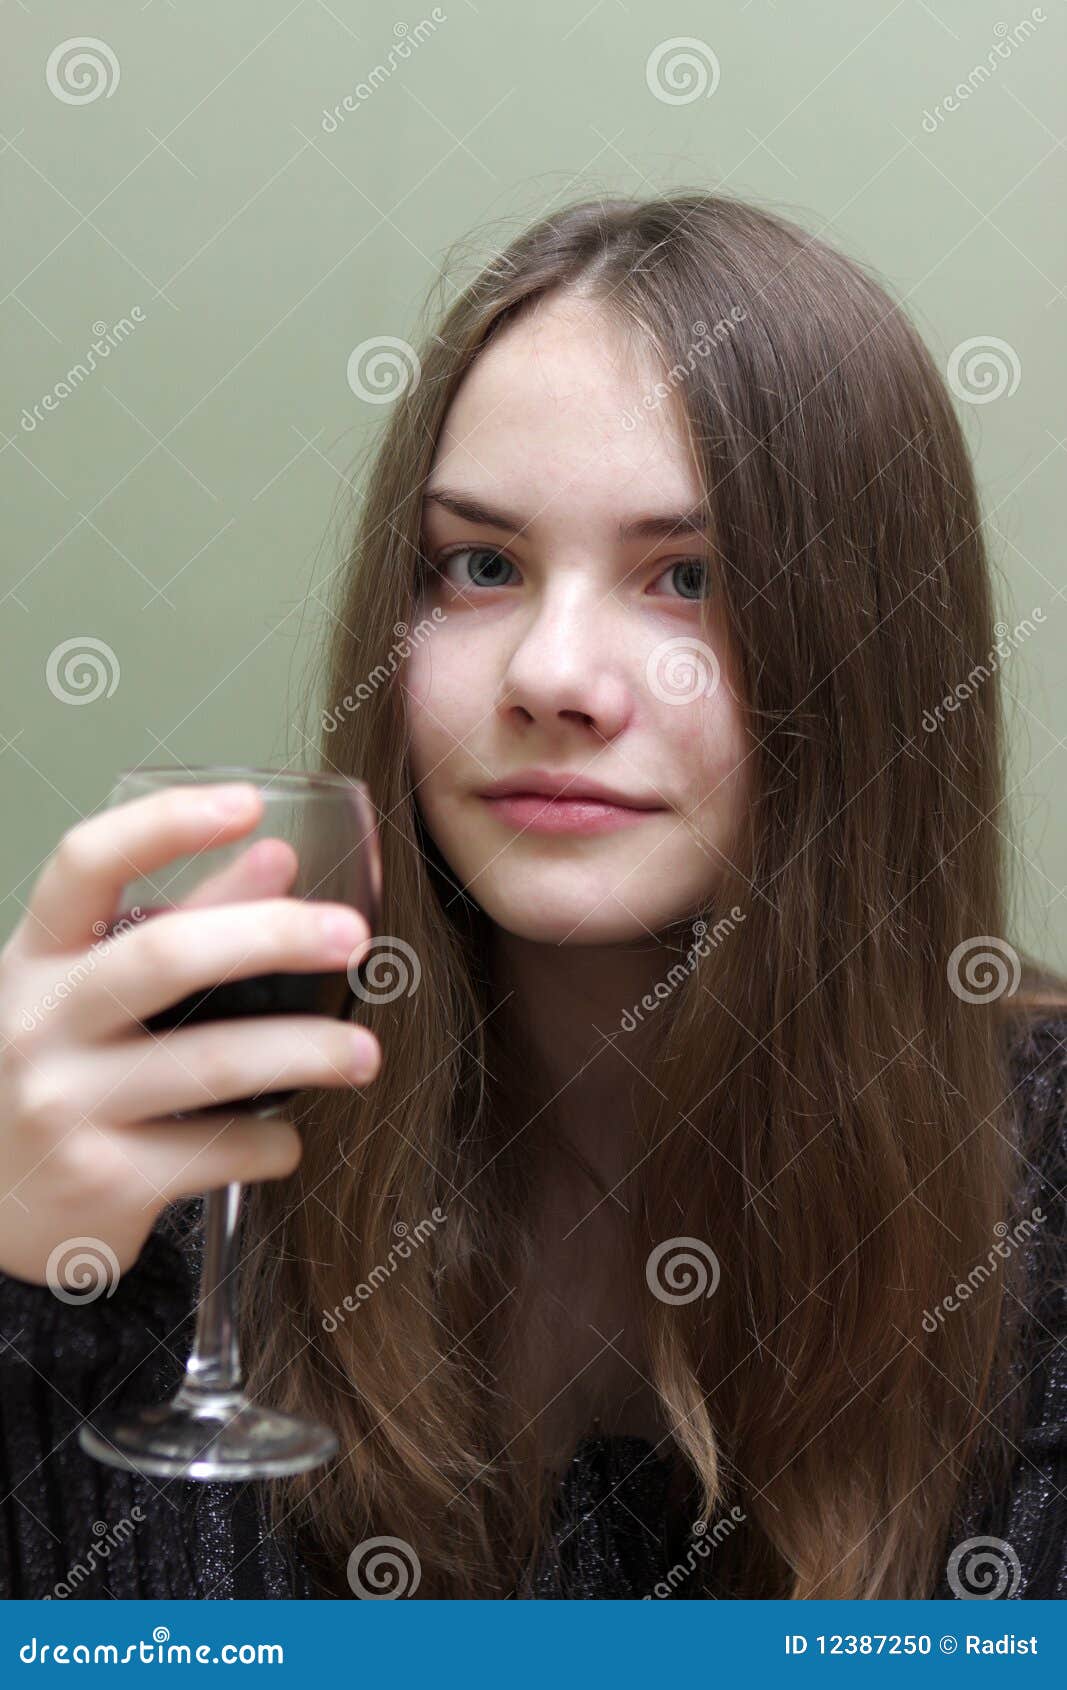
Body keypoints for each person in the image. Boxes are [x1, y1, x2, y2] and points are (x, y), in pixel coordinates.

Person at [1, 191, 1065, 1602]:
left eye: (688, 577)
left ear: (872, 652)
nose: (552, 675)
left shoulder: (1044, 1190)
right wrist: (23, 1282)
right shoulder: (172, 1137)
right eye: (483, 566)